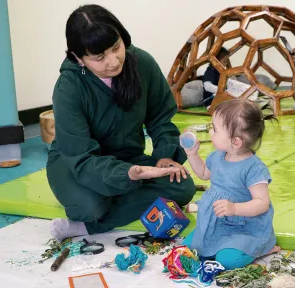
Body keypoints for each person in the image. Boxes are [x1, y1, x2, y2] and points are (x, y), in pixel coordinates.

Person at [47, 4, 195, 241]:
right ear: (79, 58)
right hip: (75, 162)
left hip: (127, 158)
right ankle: (104, 209)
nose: (114, 61)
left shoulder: (142, 63)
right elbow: (80, 156)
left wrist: (165, 156)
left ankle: (87, 226)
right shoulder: (68, 87)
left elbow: (161, 118)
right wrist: (128, 175)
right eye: (99, 57)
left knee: (182, 187)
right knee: (90, 206)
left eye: (116, 47)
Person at [181, 99, 280, 270]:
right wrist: (192, 155)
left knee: (226, 261)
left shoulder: (254, 168)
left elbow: (262, 203)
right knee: (188, 248)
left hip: (244, 228)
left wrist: (234, 208)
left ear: (235, 142)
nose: (210, 131)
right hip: (216, 223)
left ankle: (262, 247)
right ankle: (213, 241)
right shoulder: (218, 156)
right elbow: (204, 174)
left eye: (215, 129)